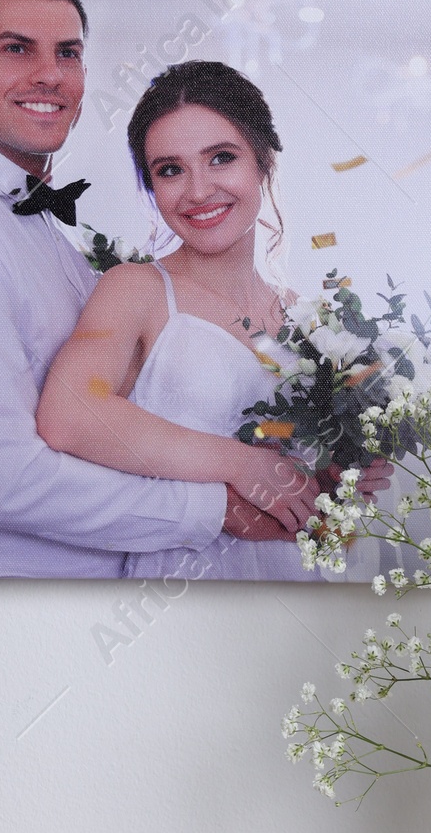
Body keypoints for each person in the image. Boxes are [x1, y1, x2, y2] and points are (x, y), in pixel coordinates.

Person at [0, 0, 304, 577]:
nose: (50, 75)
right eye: (18, 49)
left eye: (66, 52)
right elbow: (8, 479)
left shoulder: (42, 228)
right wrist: (219, 505)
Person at [37, 61, 348, 582]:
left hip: (299, 579)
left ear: (263, 162)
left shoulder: (308, 316)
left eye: (221, 158)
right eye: (170, 169)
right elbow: (68, 414)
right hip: (186, 586)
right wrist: (241, 464)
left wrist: (341, 477)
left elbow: (309, 476)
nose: (198, 191)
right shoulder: (135, 290)